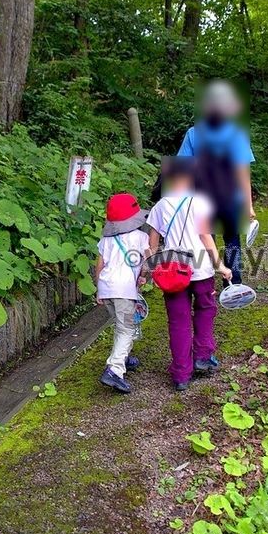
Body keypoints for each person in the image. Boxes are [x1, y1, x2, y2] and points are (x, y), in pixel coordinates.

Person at [147, 160, 232, 391]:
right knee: (205, 310)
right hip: (202, 270)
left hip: (173, 272)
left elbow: (152, 245)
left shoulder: (160, 207)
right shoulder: (200, 203)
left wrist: (152, 271)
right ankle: (203, 357)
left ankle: (181, 374)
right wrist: (221, 266)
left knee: (178, 322)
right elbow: (206, 239)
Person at [176, 80, 255, 286]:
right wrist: (248, 204)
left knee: (205, 240)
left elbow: (183, 170)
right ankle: (235, 283)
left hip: (203, 199)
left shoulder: (194, 134)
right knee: (232, 241)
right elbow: (243, 173)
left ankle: (208, 282)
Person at [94, 193, 149, 394]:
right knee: (126, 328)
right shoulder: (141, 237)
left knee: (121, 325)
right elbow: (147, 262)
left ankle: (124, 358)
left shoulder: (106, 240)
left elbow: (100, 264)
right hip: (124, 290)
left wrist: (98, 288)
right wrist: (143, 276)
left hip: (107, 288)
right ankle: (114, 370)